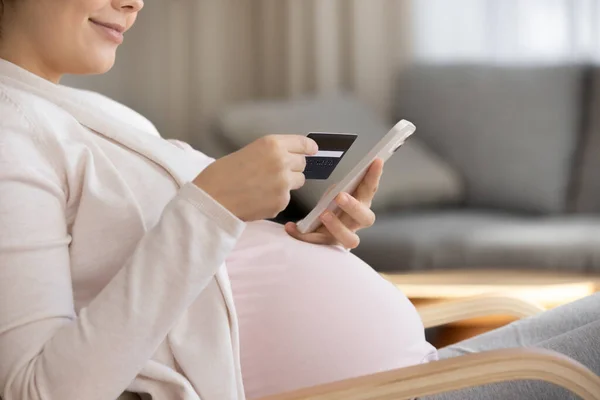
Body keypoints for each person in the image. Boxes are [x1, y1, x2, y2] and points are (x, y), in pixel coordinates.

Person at [0, 2, 597, 400]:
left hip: (421, 370)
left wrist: (295, 236)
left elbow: (187, 270)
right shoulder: (10, 132)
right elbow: (39, 389)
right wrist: (209, 207)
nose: (134, 1)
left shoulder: (101, 113)